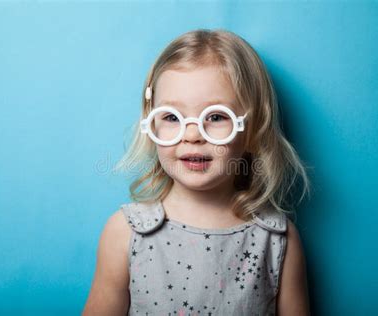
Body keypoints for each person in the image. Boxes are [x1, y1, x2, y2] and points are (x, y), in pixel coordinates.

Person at [83, 29, 312, 316]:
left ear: (253, 130)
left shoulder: (277, 239)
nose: (191, 135)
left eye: (215, 117)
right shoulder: (125, 233)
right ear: (151, 126)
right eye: (171, 117)